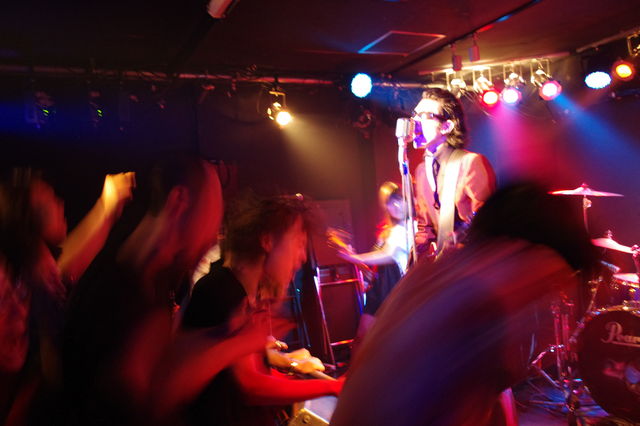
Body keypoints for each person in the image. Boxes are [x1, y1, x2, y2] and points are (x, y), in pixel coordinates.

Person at [331, 183, 600, 426]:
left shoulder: (433, 279)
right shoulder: (473, 307)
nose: (549, 301)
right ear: (522, 253)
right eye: (550, 284)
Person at [63, 156, 284, 426]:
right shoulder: (127, 288)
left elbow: (161, 365)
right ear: (179, 201)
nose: (212, 238)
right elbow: (147, 405)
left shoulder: (148, 280)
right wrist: (234, 345)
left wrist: (224, 336)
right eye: (212, 215)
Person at [182, 194, 343, 426]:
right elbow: (250, 386)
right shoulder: (222, 291)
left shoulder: (245, 295)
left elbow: (252, 374)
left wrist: (301, 378)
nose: (302, 257)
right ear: (267, 241)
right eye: (298, 243)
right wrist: (333, 386)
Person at [0, 168, 134, 425]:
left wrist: (107, 207)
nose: (60, 202)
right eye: (50, 198)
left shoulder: (35, 266)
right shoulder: (36, 275)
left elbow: (66, 267)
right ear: (28, 219)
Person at [412, 88, 496, 254]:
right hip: (444, 261)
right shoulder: (421, 171)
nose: (415, 122)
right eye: (414, 115)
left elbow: (488, 218)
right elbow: (425, 226)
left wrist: (461, 236)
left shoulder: (469, 162)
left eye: (424, 116)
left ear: (446, 126)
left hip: (471, 258)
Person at [337, 181, 409, 343]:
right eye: (389, 202)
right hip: (378, 291)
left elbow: (389, 255)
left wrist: (356, 257)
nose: (396, 206)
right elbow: (376, 266)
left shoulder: (410, 227)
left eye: (399, 199)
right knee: (363, 337)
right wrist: (356, 260)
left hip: (394, 291)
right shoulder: (387, 231)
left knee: (383, 340)